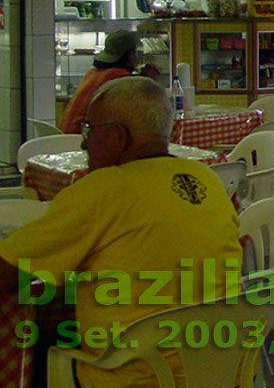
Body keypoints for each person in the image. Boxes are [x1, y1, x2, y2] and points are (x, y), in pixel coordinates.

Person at [0, 76, 242, 388]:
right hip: (221, 370)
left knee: (39, 344)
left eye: (89, 129)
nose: (84, 142)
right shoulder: (205, 177)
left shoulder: (102, 190)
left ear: (117, 136)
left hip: (137, 376)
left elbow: (7, 276)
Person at [61, 30, 160, 134]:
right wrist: (149, 81)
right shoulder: (119, 76)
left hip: (67, 139)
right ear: (130, 55)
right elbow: (139, 111)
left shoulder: (93, 72)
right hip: (83, 142)